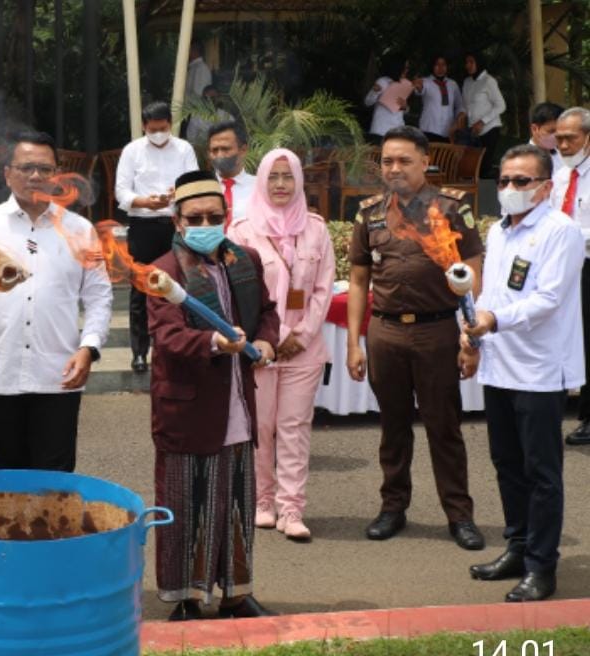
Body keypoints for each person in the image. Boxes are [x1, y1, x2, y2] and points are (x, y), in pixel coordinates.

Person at [0, 131, 113, 472]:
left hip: (57, 377)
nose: (36, 176)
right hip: (0, 377)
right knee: (8, 481)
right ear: (8, 173)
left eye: (45, 168)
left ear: (57, 174)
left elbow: (99, 297)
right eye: (26, 167)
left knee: (55, 484)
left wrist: (89, 348)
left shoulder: (81, 230)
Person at [345, 126, 484, 550]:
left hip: (437, 331)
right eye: (387, 161)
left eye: (404, 160)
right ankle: (392, 508)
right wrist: (354, 342)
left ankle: (459, 515)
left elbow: (474, 264)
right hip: (385, 331)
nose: (395, 168)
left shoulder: (452, 209)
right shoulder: (369, 213)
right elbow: (358, 278)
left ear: (426, 162)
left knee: (445, 428)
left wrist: (469, 334)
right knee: (393, 426)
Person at [148, 169, 278, 621]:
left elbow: (266, 313)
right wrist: (214, 343)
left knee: (237, 503)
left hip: (237, 404)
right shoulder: (163, 273)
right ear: (178, 223)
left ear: (227, 216)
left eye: (214, 215)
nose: (206, 223)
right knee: (187, 505)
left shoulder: (247, 261)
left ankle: (236, 595)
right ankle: (185, 598)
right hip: (190, 408)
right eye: (195, 217)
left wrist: (265, 342)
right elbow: (167, 337)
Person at [462, 144, 583, 602]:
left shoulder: (560, 231)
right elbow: (491, 291)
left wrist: (493, 321)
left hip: (538, 368)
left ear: (546, 187)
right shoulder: (498, 232)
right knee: (507, 465)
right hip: (499, 365)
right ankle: (517, 546)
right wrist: (473, 332)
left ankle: (541, 565)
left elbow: (549, 299)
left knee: (541, 472)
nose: (510, 188)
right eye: (505, 179)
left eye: (522, 182)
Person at [228, 149, 335, 541]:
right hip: (260, 349)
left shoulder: (316, 229)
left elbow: (323, 289)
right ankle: (262, 501)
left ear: (299, 182)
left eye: (288, 177)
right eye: (272, 177)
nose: (280, 185)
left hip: (303, 349)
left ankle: (292, 509)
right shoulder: (241, 231)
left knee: (294, 427)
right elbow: (235, 292)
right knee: (262, 427)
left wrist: (301, 335)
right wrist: (261, 340)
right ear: (260, 182)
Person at [115, 101, 199, 373]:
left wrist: (175, 196)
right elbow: (121, 191)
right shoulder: (132, 151)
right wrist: (143, 201)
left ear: (170, 125)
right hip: (143, 223)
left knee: (180, 283)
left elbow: (193, 184)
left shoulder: (184, 149)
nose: (158, 134)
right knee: (141, 288)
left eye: (163, 129)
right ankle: (139, 352)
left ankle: (176, 344)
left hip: (175, 223)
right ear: (144, 126)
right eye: (153, 129)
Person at [550, 107, 590, 446]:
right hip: (562, 267)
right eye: (559, 138)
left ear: (587, 138)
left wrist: (573, 238)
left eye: (570, 138)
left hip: (587, 263)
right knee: (565, 337)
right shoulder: (561, 174)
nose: (562, 144)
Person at [460, 52, 506, 178]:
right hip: (473, 131)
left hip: (489, 129)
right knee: (472, 168)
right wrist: (460, 122)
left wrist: (482, 122)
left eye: (471, 62)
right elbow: (465, 106)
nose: (468, 65)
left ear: (479, 63)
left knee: (484, 167)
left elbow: (501, 105)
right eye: (466, 62)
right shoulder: (467, 82)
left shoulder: (489, 81)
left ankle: (488, 195)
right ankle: (476, 196)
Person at [208, 116, 255, 224]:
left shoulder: (260, 187)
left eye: (225, 149)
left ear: (243, 150)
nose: (219, 155)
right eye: (214, 150)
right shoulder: (201, 188)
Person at [413, 55, 465, 142]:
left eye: (443, 64)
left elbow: (460, 104)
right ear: (432, 66)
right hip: (429, 129)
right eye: (437, 64)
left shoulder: (453, 84)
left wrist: (460, 115)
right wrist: (419, 87)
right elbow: (420, 90)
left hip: (448, 131)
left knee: (444, 156)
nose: (440, 67)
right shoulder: (425, 82)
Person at [364, 55, 410, 144]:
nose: (407, 70)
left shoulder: (405, 84)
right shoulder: (382, 81)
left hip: (397, 131)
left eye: (408, 68)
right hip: (380, 131)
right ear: (398, 67)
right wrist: (374, 91)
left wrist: (405, 107)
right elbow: (367, 102)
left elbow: (403, 110)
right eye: (405, 67)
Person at [528, 102, 565, 174]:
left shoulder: (565, 157)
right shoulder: (522, 160)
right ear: (535, 129)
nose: (557, 136)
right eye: (551, 131)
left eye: (561, 131)